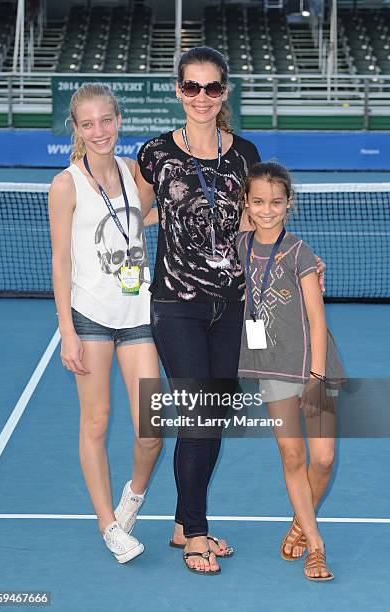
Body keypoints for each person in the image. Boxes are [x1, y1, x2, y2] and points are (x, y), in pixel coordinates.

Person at [135, 46, 326, 575]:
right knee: (197, 417)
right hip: (176, 306)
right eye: (191, 87)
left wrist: (295, 261)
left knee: (213, 418)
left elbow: (256, 223)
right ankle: (196, 533)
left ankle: (181, 524)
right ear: (178, 90)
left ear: (224, 92)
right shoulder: (154, 153)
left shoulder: (243, 152)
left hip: (236, 307)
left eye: (212, 87)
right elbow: (136, 213)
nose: (202, 97)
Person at [48, 83, 162, 564]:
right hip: (90, 318)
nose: (99, 131)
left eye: (106, 120)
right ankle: (108, 525)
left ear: (119, 121)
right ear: (75, 128)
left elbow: (148, 216)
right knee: (95, 421)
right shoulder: (65, 184)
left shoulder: (135, 172)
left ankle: (132, 498)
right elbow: (60, 262)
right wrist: (67, 333)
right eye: (88, 123)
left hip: (139, 314)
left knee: (152, 428)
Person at [237, 161, 344, 581]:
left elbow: (318, 322)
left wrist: (316, 380)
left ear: (288, 204)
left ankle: (301, 521)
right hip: (273, 367)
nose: (267, 210)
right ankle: (315, 545)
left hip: (314, 364)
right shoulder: (240, 246)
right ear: (247, 204)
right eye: (258, 202)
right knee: (293, 454)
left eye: (276, 203)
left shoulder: (299, 252)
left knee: (324, 457)